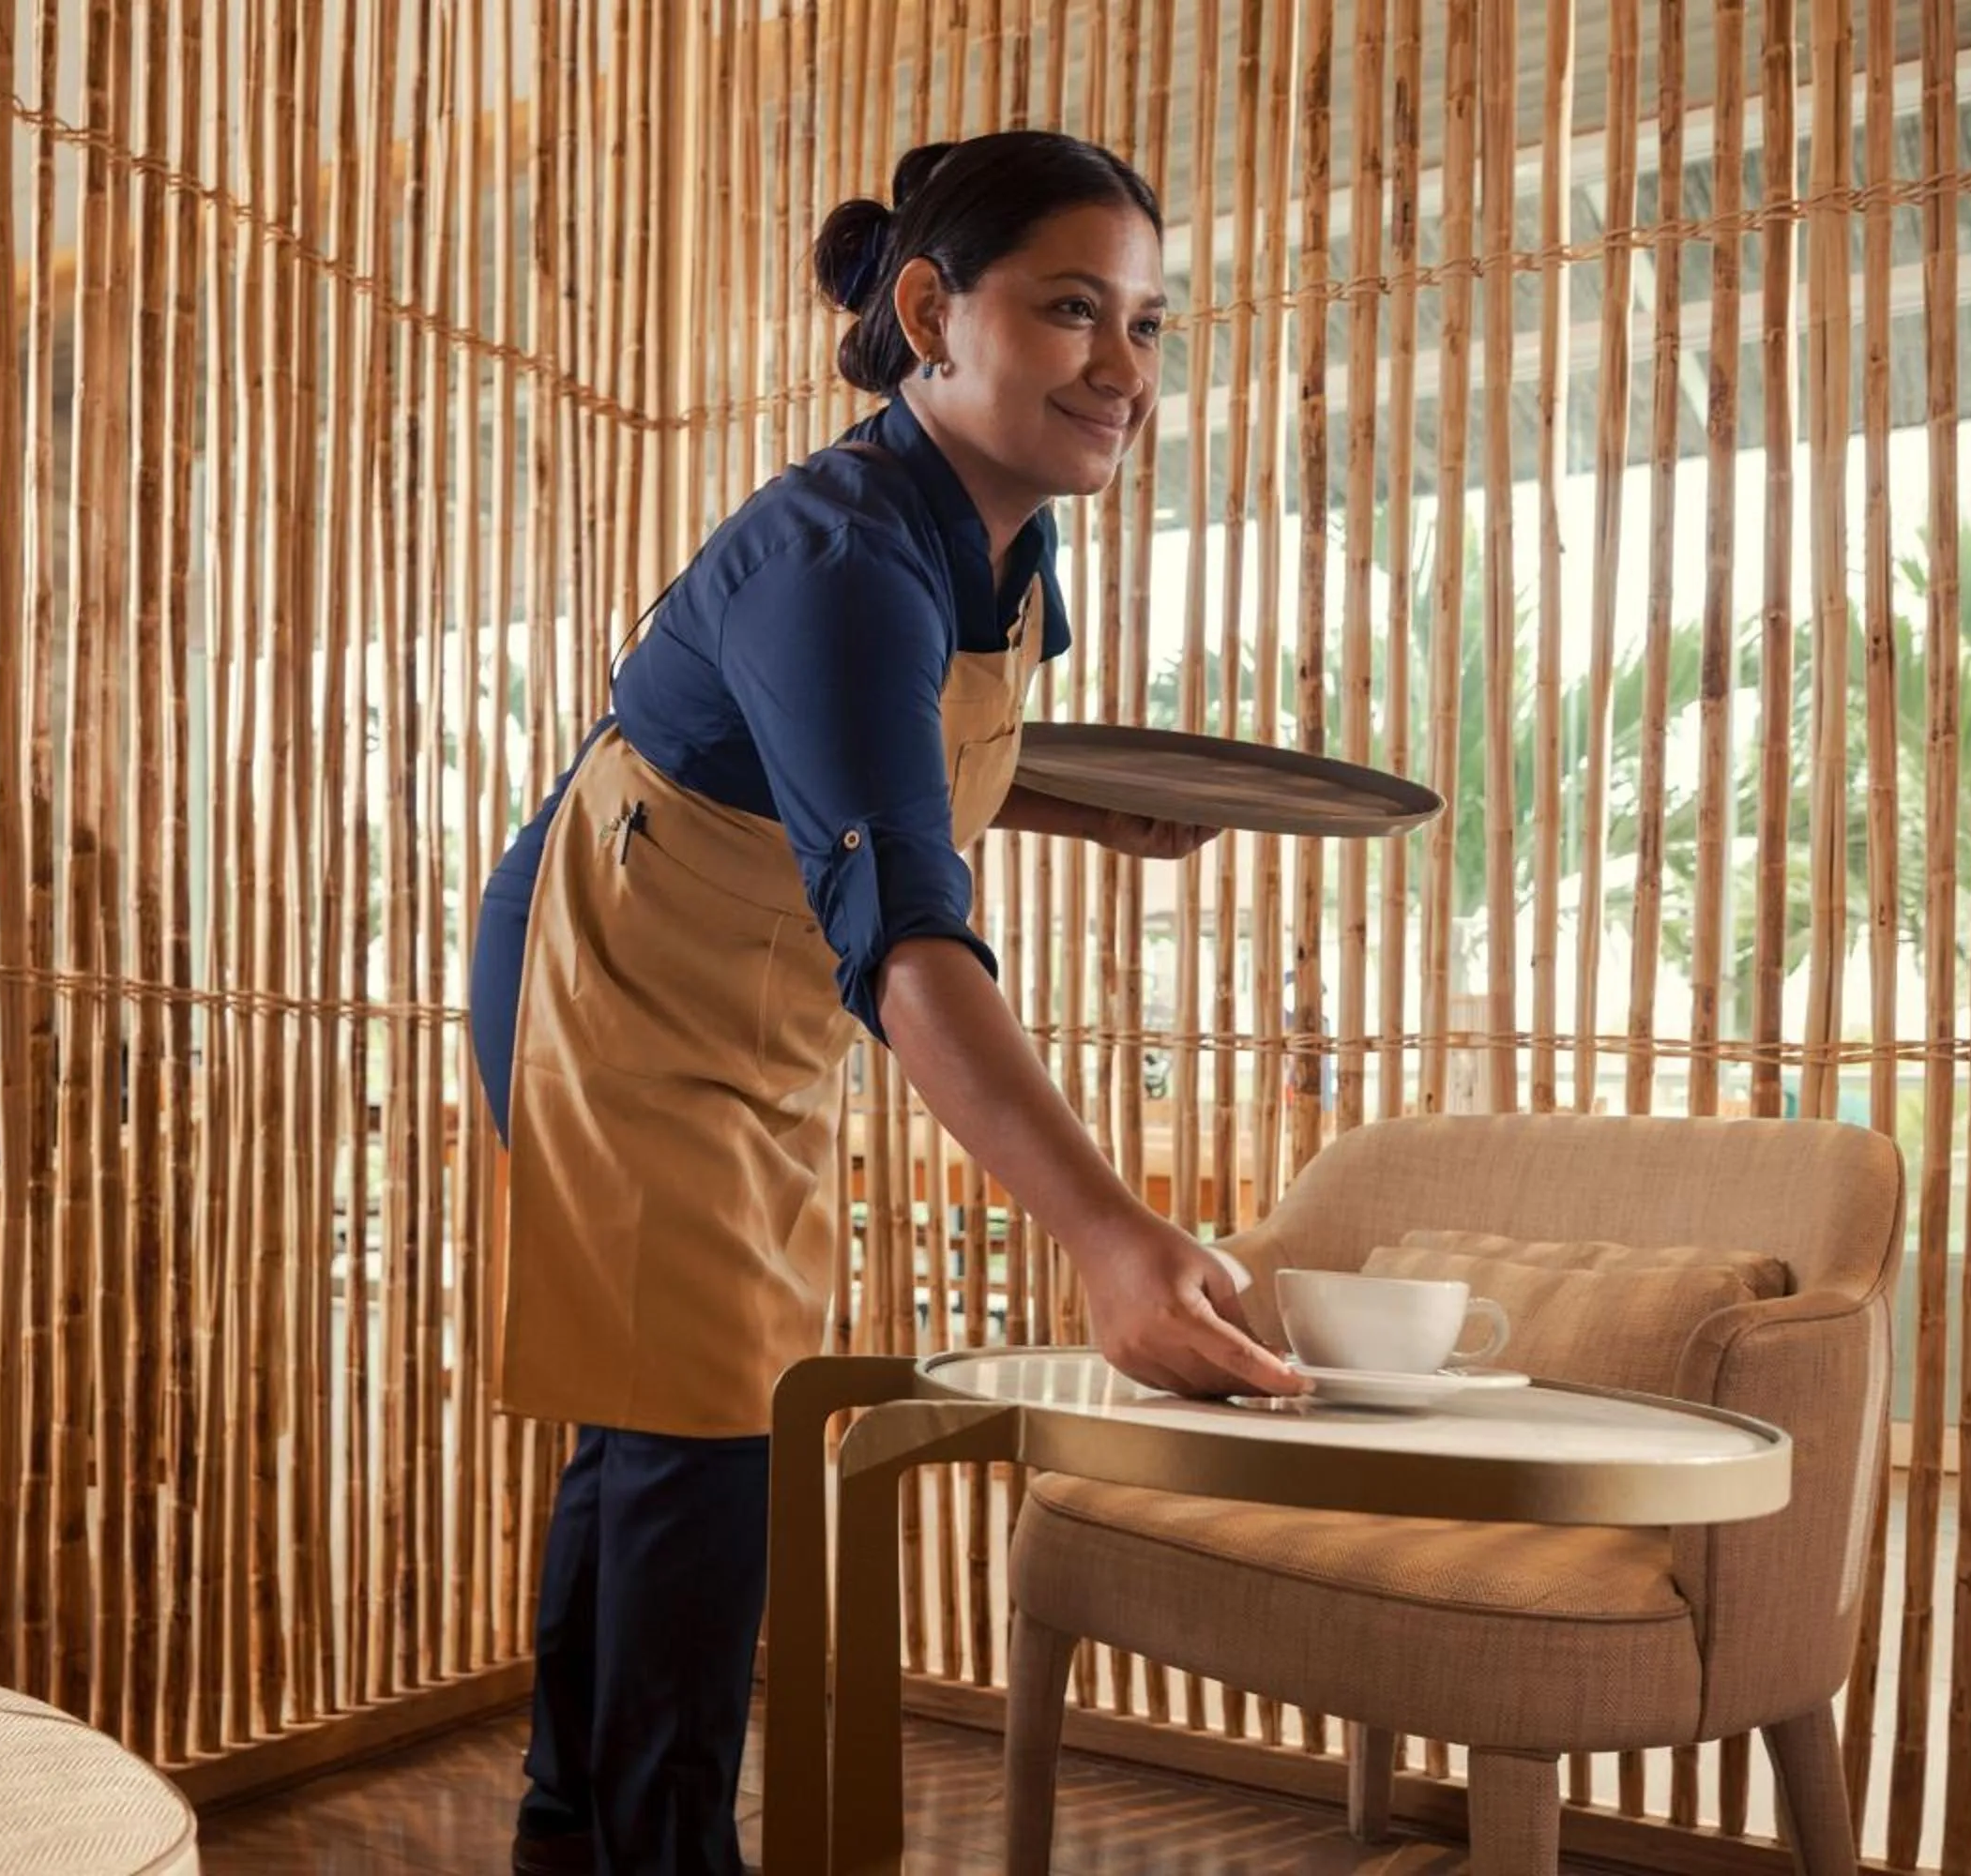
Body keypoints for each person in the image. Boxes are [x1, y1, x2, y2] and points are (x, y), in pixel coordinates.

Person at [467, 130, 1306, 1876]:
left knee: (670, 1409)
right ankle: (654, 1845)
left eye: (1148, 323)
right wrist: (1105, 1230)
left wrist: (1090, 808)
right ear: (932, 308)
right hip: (621, 960)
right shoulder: (840, 558)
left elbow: (920, 754)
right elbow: (912, 930)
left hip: (758, 968)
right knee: (708, 1422)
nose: (1120, 369)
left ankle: (583, 1835)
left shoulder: (1000, 532)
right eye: (1073, 311)